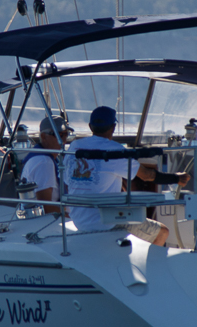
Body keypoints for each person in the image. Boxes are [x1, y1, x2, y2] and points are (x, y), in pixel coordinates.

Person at [65, 105, 190, 245]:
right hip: (105, 223)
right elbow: (147, 176)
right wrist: (177, 178)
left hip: (78, 220)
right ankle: (149, 266)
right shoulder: (115, 150)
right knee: (162, 232)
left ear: (90, 126)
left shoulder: (74, 147)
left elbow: (67, 180)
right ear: (113, 127)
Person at [20, 114, 72, 214]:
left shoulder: (44, 158)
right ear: (44, 137)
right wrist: (74, 216)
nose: (64, 140)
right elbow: (46, 208)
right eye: (60, 135)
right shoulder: (44, 162)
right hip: (52, 221)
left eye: (66, 134)